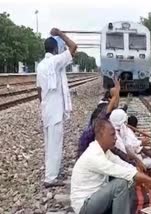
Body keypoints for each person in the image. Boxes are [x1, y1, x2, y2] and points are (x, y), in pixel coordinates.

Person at [70, 118, 151, 214]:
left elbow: (126, 166)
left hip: (96, 200)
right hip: (85, 207)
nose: (115, 138)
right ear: (101, 135)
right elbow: (124, 172)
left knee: (130, 181)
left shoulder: (106, 152)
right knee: (120, 183)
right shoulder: (94, 155)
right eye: (112, 135)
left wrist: (146, 181)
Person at [36, 28, 77, 188]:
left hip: (46, 109)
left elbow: (39, 90)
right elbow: (73, 47)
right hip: (55, 111)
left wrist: (44, 105)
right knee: (55, 143)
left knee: (49, 143)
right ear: (54, 49)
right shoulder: (55, 61)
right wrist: (60, 33)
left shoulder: (41, 66)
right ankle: (51, 178)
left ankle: (50, 173)